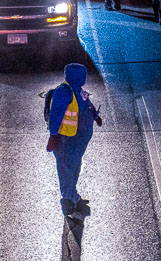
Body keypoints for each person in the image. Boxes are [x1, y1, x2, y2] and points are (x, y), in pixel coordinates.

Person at [46, 62, 102, 220]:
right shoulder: (63, 92)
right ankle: (67, 198)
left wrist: (96, 117)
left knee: (74, 166)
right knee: (66, 168)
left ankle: (72, 195)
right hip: (65, 139)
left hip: (77, 139)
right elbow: (56, 114)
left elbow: (87, 105)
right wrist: (54, 135)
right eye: (81, 74)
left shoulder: (79, 91)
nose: (84, 77)